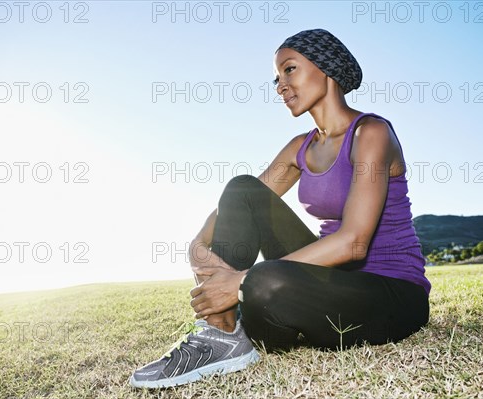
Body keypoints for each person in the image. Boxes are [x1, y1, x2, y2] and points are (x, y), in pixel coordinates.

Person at [129, 28, 431, 389]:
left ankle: (250, 307)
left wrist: (241, 281)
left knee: (263, 281)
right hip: (329, 287)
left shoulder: (371, 132)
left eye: (290, 70)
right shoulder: (298, 148)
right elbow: (239, 202)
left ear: (326, 68)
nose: (280, 86)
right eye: (276, 77)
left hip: (392, 293)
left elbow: (354, 242)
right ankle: (221, 334)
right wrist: (196, 246)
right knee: (243, 188)